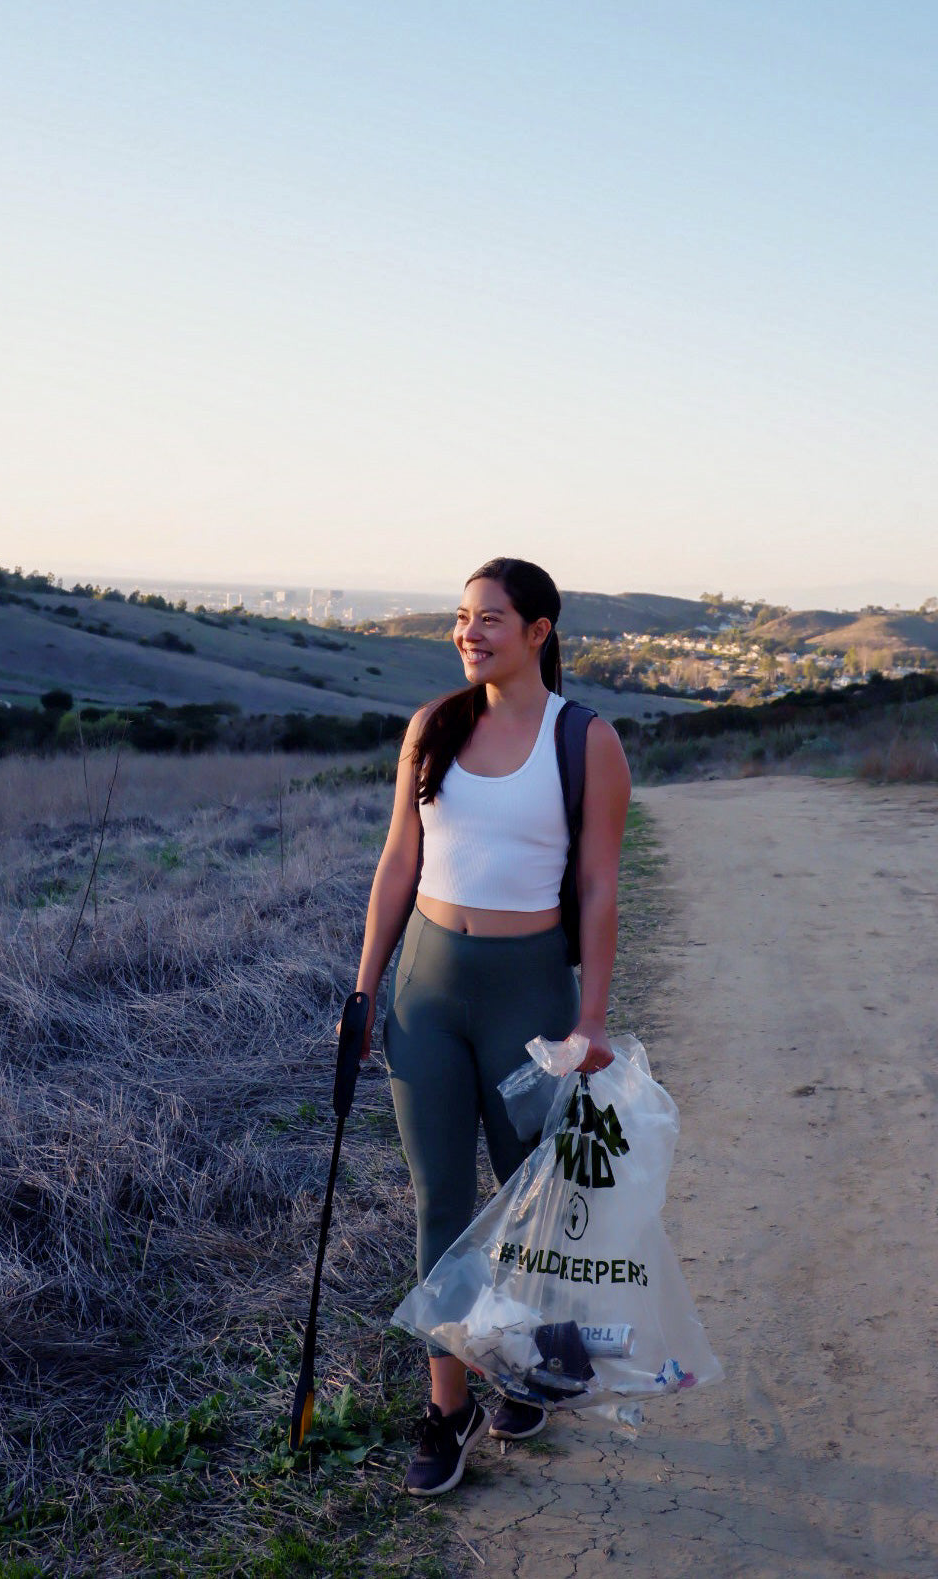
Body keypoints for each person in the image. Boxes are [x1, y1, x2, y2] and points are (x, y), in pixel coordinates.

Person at [352, 556, 631, 1496]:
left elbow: (597, 884)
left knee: (527, 1200)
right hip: (425, 992)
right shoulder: (433, 727)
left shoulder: (584, 739)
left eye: (492, 619)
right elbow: (399, 860)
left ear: (540, 631)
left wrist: (591, 1016)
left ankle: (530, 1354)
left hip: (529, 997)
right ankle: (448, 1403)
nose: (470, 633)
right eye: (463, 618)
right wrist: (363, 990)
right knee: (439, 1200)